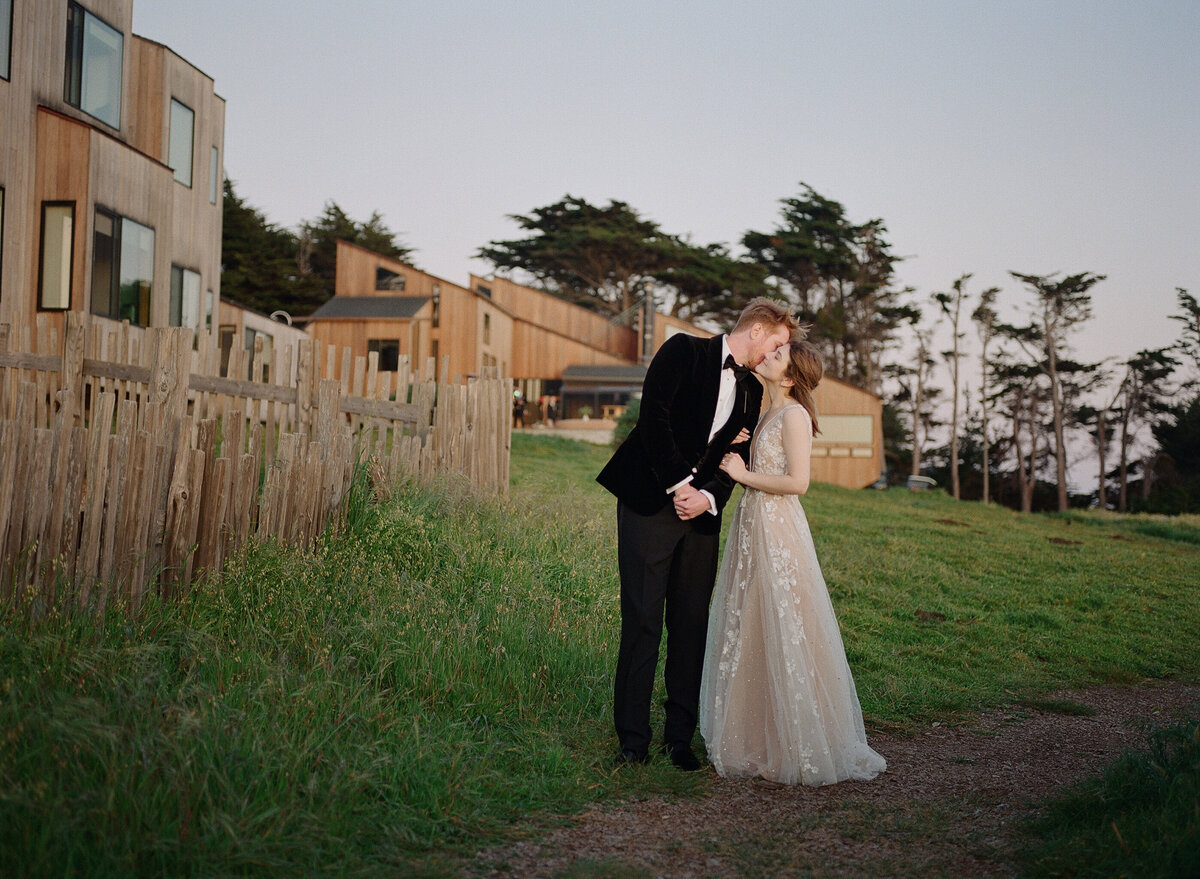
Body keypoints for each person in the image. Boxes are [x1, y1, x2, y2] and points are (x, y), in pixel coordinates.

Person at [596, 298, 799, 770]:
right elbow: (655, 423)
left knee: (690, 626)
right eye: (777, 342)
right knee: (643, 622)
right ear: (756, 331)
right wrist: (680, 486)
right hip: (649, 505)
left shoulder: (751, 391)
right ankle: (632, 741)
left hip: (702, 517)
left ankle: (680, 740)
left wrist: (707, 497)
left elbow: (736, 461)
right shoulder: (681, 351)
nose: (777, 352)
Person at [699, 340, 887, 785]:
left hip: (777, 528)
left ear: (789, 377)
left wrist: (742, 475)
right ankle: (760, 739)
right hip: (753, 525)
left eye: (778, 355)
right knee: (752, 624)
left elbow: (798, 482)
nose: (767, 355)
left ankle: (797, 741)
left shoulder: (795, 415)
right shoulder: (767, 413)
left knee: (785, 624)